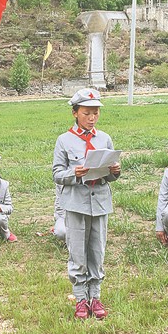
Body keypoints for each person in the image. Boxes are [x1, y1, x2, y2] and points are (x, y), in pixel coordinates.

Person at [53, 88, 120, 320]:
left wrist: (114, 171)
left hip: (99, 201)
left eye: (96, 113)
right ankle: (81, 298)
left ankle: (96, 296)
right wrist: (74, 173)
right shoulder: (64, 140)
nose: (92, 118)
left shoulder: (104, 139)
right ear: (75, 113)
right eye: (86, 113)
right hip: (76, 202)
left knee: (97, 250)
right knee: (78, 251)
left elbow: (110, 175)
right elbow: (57, 174)